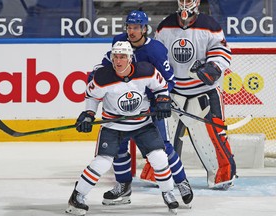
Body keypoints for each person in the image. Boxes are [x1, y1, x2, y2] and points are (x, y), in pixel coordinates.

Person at [90, 9, 193, 206]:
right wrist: (95, 78)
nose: (132, 31)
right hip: (124, 106)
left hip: (150, 108)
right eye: (129, 27)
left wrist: (162, 101)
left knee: (163, 147)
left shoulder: (155, 50)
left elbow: (168, 80)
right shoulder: (119, 42)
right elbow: (107, 67)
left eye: (136, 27)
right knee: (118, 148)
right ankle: (123, 187)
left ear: (145, 29)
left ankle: (181, 183)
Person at [66, 41, 179, 216]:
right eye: (115, 57)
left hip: (142, 123)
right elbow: (91, 96)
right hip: (113, 126)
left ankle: (168, 192)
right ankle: (77, 196)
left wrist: (163, 100)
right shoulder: (102, 77)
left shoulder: (146, 71)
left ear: (130, 58)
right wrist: (88, 113)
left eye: (123, 57)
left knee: (159, 157)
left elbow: (161, 86)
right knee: (102, 162)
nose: (118, 61)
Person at [155, 0, 236, 189]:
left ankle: (221, 175)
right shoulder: (165, 26)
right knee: (164, 136)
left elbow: (222, 51)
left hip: (203, 92)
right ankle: (160, 174)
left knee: (211, 136)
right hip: (174, 92)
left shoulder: (210, 26)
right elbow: (157, 56)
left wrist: (212, 67)